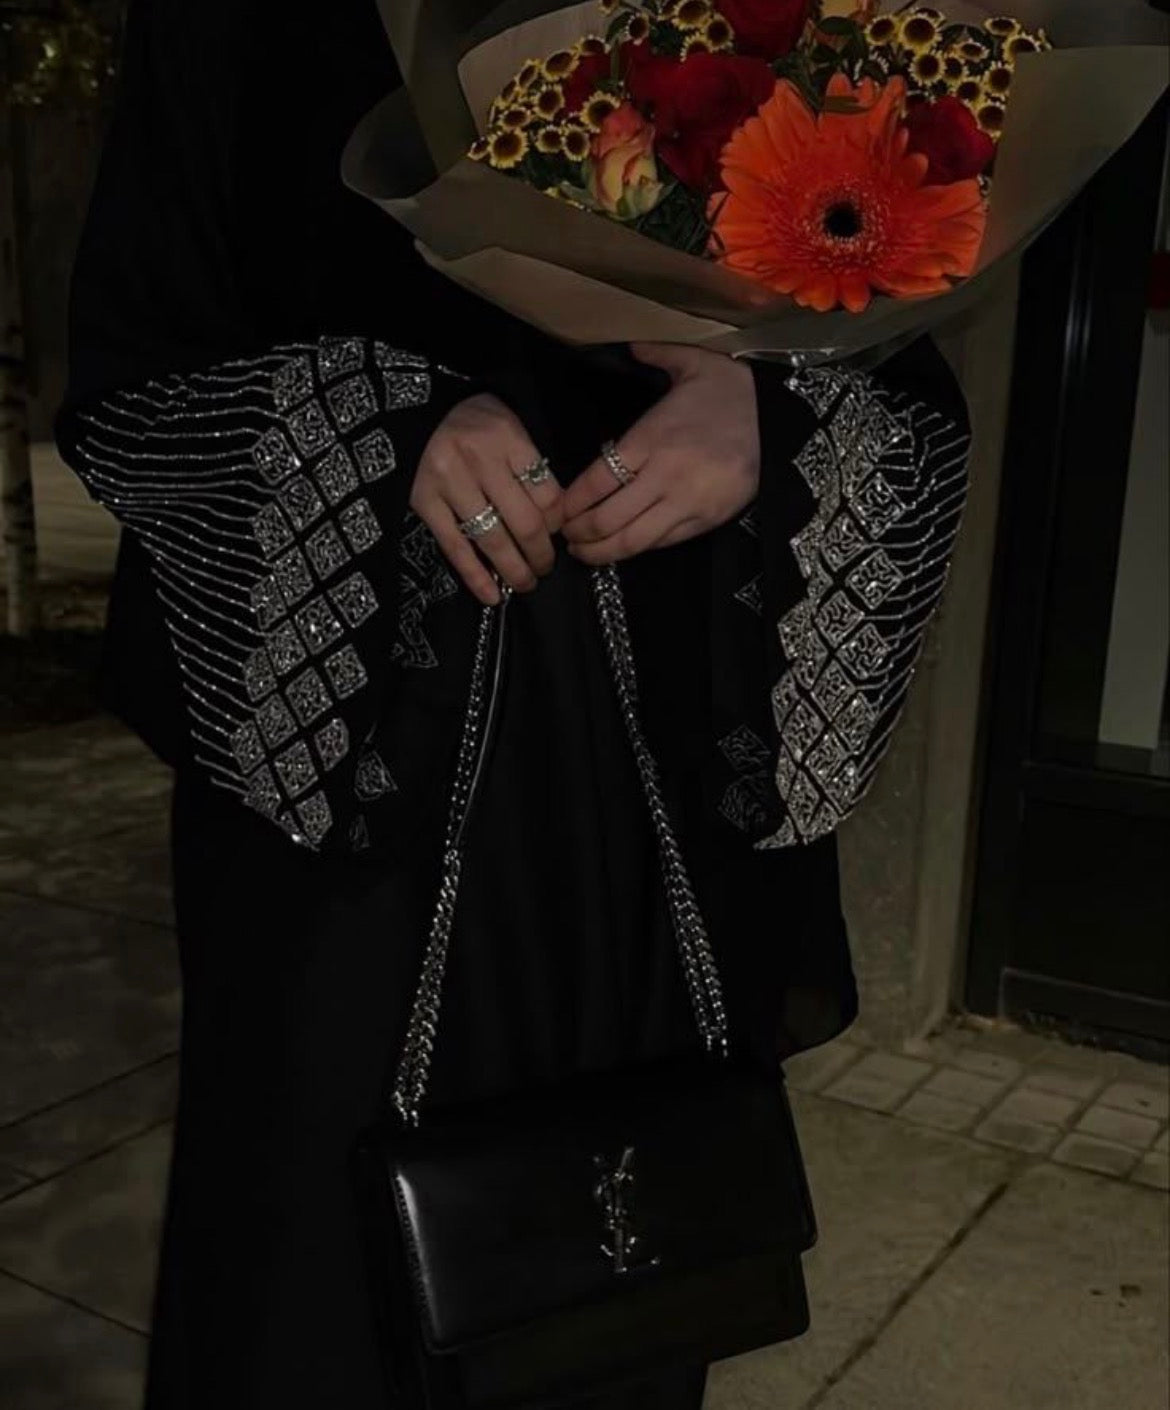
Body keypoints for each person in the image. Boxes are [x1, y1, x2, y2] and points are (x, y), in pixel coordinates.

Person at [54, 2, 972, 1406]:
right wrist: (386, 434)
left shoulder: (752, 11)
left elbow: (882, 323)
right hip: (353, 736)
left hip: (653, 732)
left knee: (617, 1250)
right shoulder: (235, 21)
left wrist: (767, 412)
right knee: (310, 1255)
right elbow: (137, 358)